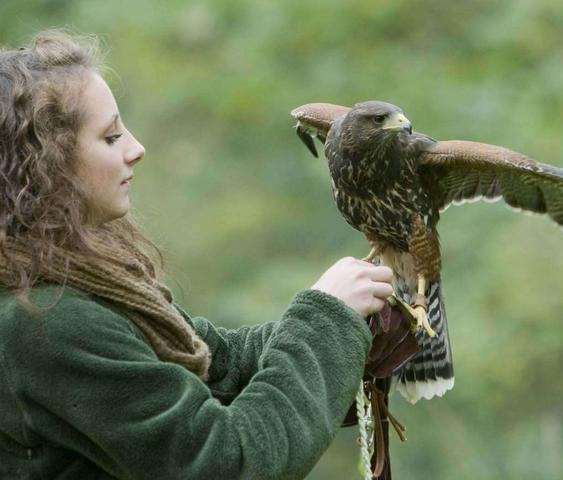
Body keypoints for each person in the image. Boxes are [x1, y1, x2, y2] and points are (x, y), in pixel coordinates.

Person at [0, 30, 415, 479]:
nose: (136, 149)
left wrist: (346, 322)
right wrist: (326, 319)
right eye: (111, 136)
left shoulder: (65, 278)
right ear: (47, 164)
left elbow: (217, 363)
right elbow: (228, 462)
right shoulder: (46, 320)